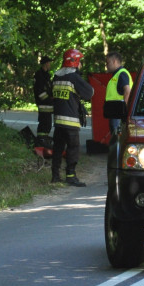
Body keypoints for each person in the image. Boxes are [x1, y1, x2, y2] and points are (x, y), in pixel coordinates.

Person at [51, 48, 95, 186]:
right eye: (80, 61)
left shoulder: (57, 76)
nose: (81, 64)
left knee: (58, 148)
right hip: (70, 121)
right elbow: (90, 93)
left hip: (58, 120)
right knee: (73, 148)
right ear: (75, 62)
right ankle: (70, 176)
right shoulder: (74, 78)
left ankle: (55, 176)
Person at [103, 51, 132, 139]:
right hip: (116, 113)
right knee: (116, 138)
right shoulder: (118, 74)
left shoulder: (122, 74)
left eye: (108, 63)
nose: (106, 65)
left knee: (117, 140)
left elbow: (127, 91)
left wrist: (126, 112)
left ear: (115, 61)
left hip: (119, 114)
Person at [33, 55, 54, 147]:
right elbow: (40, 92)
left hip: (48, 105)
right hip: (44, 104)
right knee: (44, 124)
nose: (50, 65)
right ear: (46, 63)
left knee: (47, 124)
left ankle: (44, 140)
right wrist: (49, 99)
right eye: (49, 63)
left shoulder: (46, 75)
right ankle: (41, 141)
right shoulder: (39, 75)